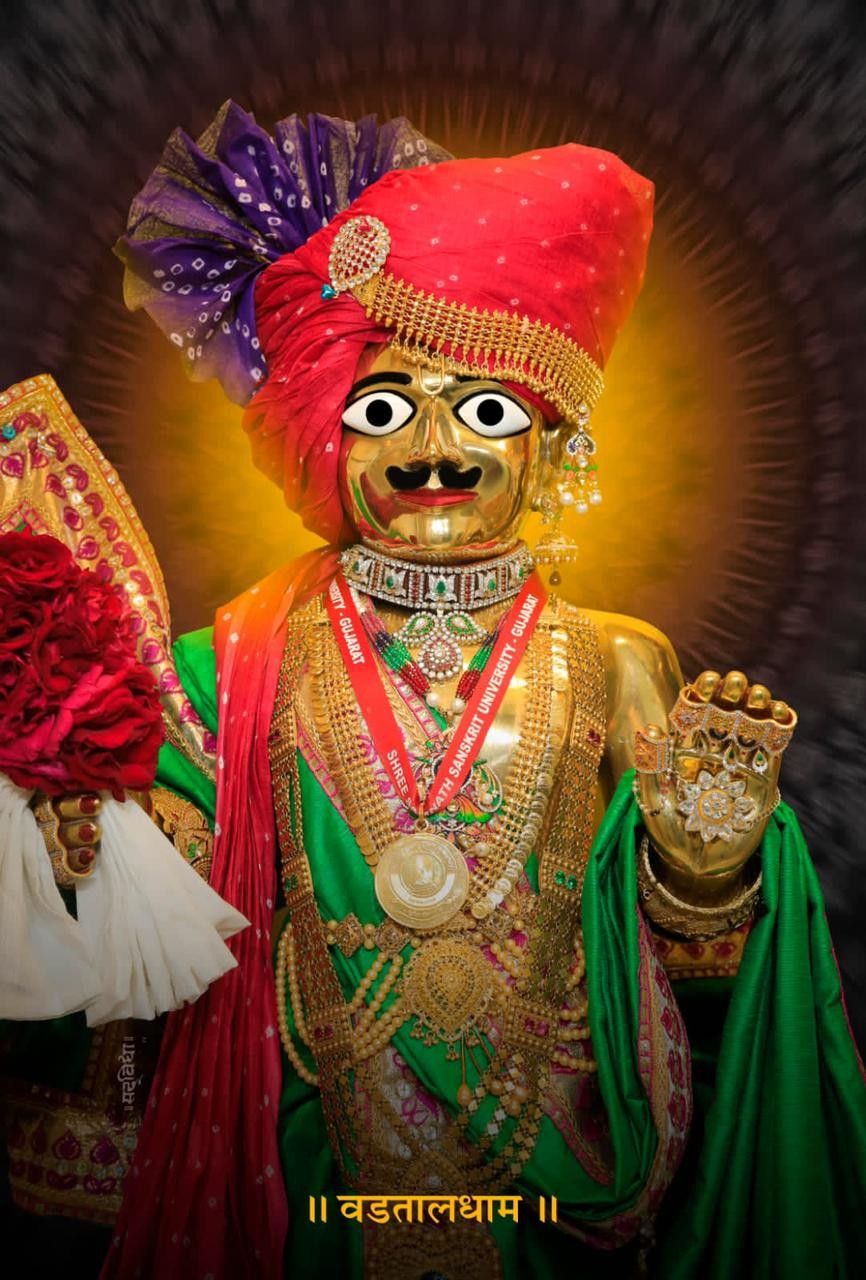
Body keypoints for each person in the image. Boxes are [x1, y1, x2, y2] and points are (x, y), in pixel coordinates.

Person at [4, 102, 866, 1280]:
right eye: (383, 408)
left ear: (550, 444)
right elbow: (144, 938)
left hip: (560, 1179)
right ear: (329, 435)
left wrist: (701, 869)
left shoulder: (617, 658)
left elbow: (686, 976)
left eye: (484, 410)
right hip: (308, 1177)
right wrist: (88, 848)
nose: (432, 446)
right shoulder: (231, 662)